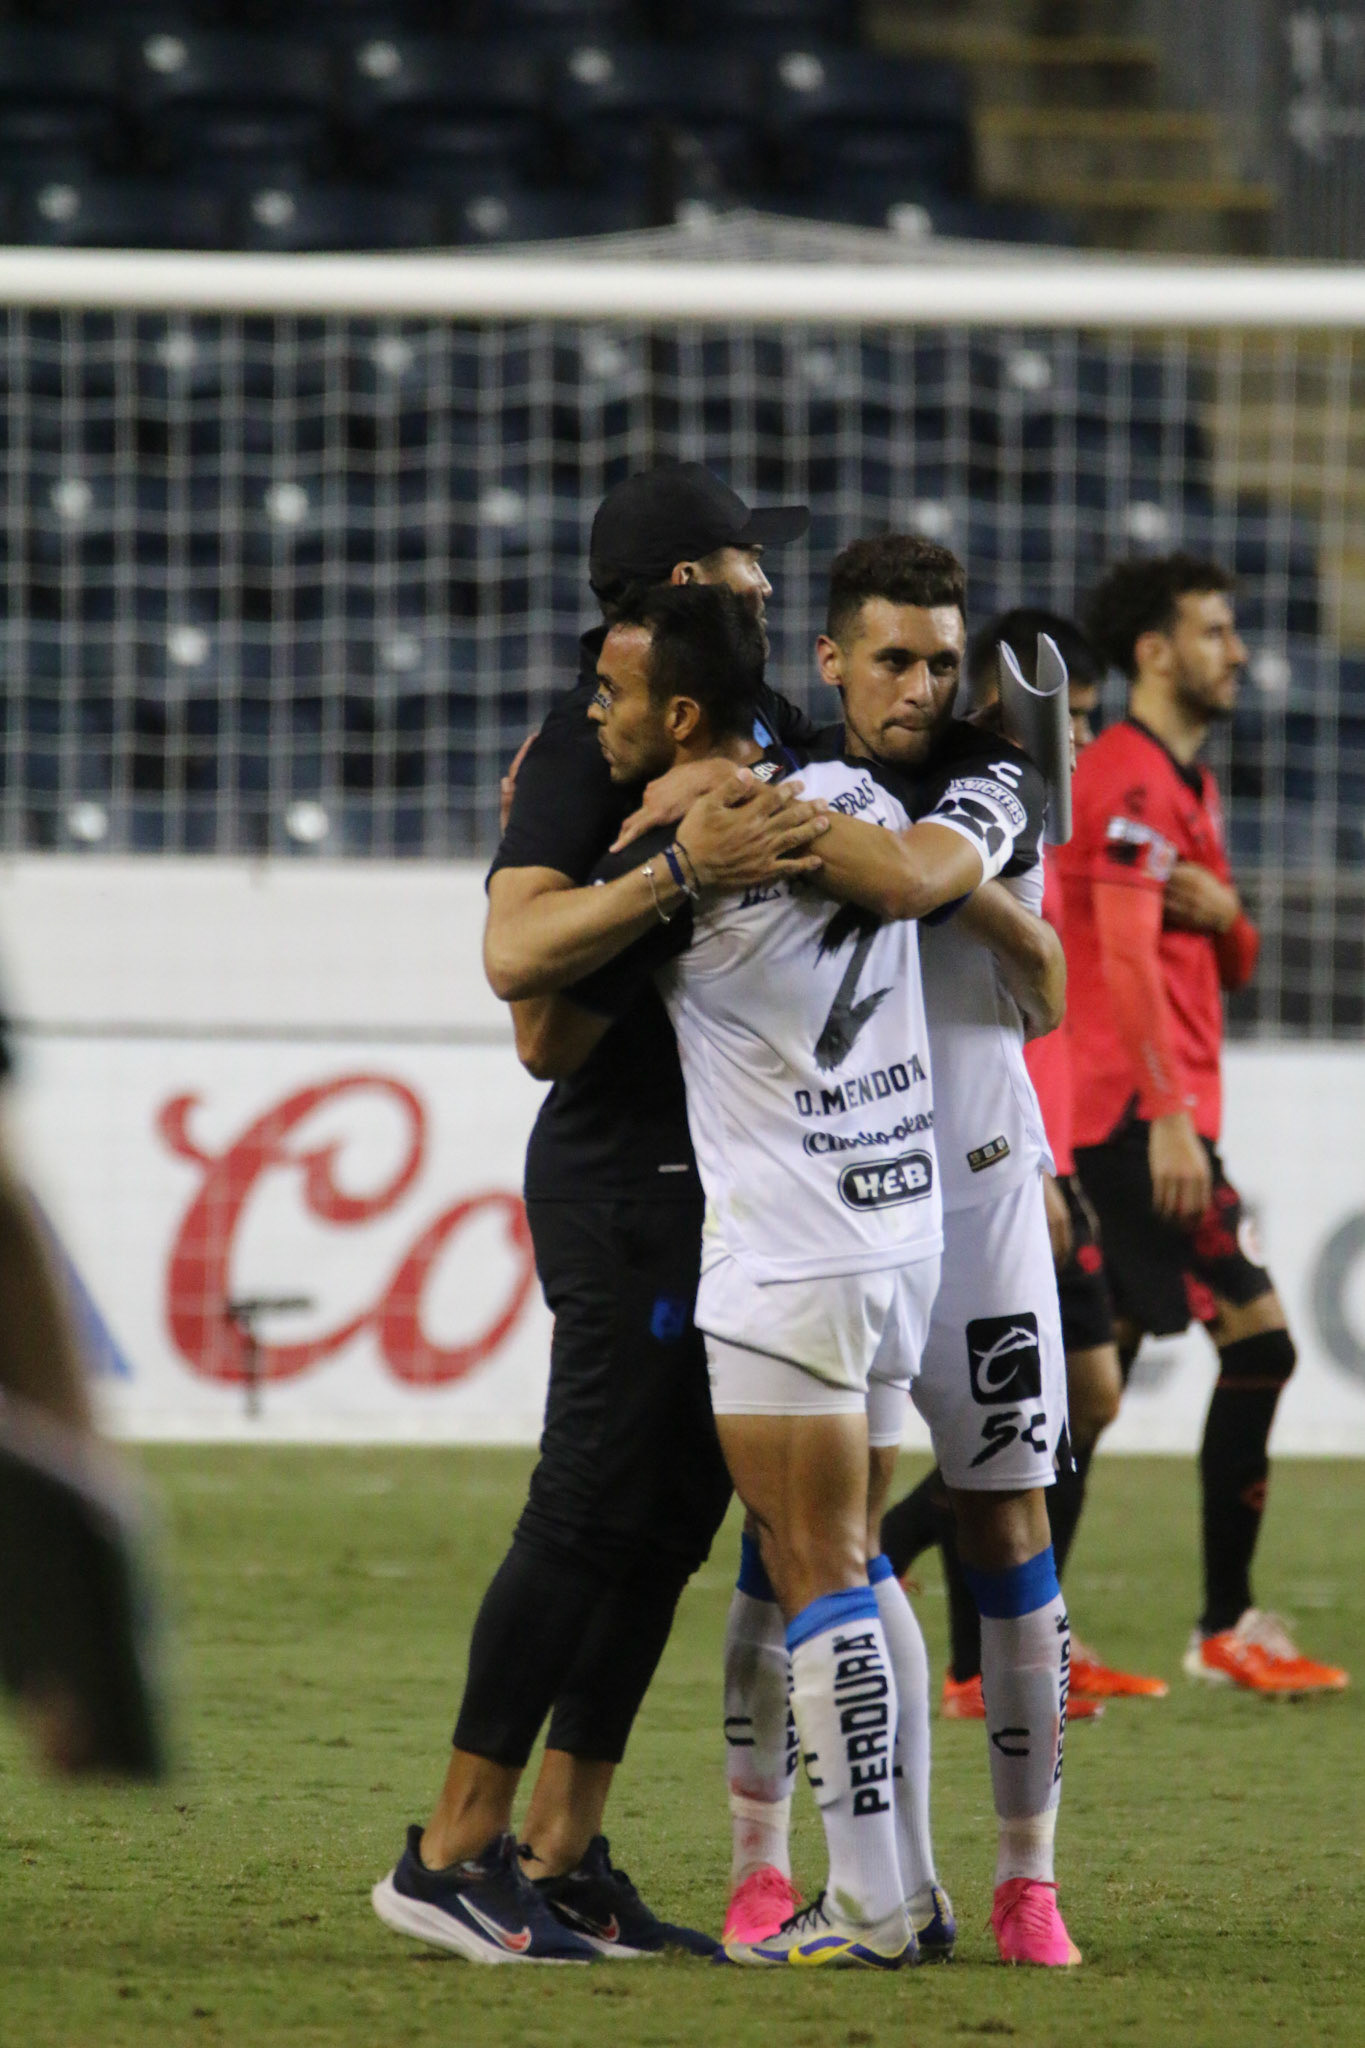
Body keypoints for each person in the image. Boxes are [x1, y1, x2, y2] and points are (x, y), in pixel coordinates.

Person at [533, 581, 1046, 1968]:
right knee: (855, 1551)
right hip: (901, 1234)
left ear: (676, 715)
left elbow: (545, 1031)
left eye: (613, 699)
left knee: (811, 1560)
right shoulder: (854, 801)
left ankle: (866, 1902)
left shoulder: (680, 850)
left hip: (785, 1248)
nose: (596, 720)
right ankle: (912, 1886)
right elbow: (930, 893)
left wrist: (647, 866)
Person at [371, 464, 831, 1965]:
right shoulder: (588, 745)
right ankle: (451, 1851)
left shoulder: (768, 730)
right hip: (627, 1175)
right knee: (587, 1504)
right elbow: (528, 992)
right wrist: (678, 867)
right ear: (685, 587)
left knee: (667, 1525)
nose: (769, 579)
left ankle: (560, 1852)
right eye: (745, 560)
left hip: (736, 1186)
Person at [712, 537, 1084, 1968]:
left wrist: (925, 880)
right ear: (830, 660)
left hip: (980, 1196)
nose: (921, 685)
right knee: (806, 1535)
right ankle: (766, 1862)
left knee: (1010, 1525)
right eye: (892, 659)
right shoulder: (789, 770)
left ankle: (1026, 1881)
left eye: (940, 660)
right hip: (842, 1202)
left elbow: (1026, 967)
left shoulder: (1001, 777)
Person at [1068, 553, 1347, 1696]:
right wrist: (1171, 1115)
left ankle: (993, 1637)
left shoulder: (1187, 782)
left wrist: (1227, 910)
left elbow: (1235, 953)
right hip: (1136, 1118)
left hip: (1151, 1114)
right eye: (1215, 631)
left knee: (1086, 1394)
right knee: (1262, 1343)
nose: (1237, 651)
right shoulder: (1128, 782)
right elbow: (1127, 960)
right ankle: (1225, 1625)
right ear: (1154, 651)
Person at [881, 608, 1166, 1711]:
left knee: (1071, 1406)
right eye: (1070, 718)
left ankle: (960, 1602)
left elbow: (1040, 1002)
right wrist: (1044, 1161)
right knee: (1058, 1410)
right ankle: (968, 1650)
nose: (1079, 741)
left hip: (1034, 1145)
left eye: (1085, 721)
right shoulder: (985, 812)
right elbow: (1014, 1013)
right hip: (1002, 1158)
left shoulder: (1046, 824)